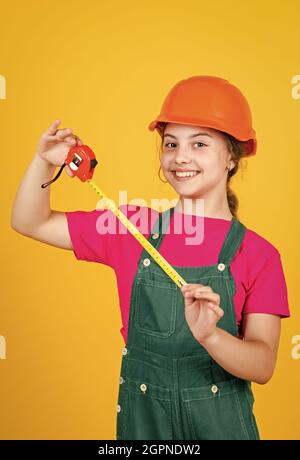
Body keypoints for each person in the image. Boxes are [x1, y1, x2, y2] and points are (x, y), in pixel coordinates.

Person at [11, 75, 290, 440]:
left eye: (200, 144)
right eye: (171, 144)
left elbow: (263, 365)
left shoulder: (259, 254)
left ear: (232, 158)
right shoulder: (130, 227)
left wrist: (211, 336)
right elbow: (28, 221)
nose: (181, 157)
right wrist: (43, 162)